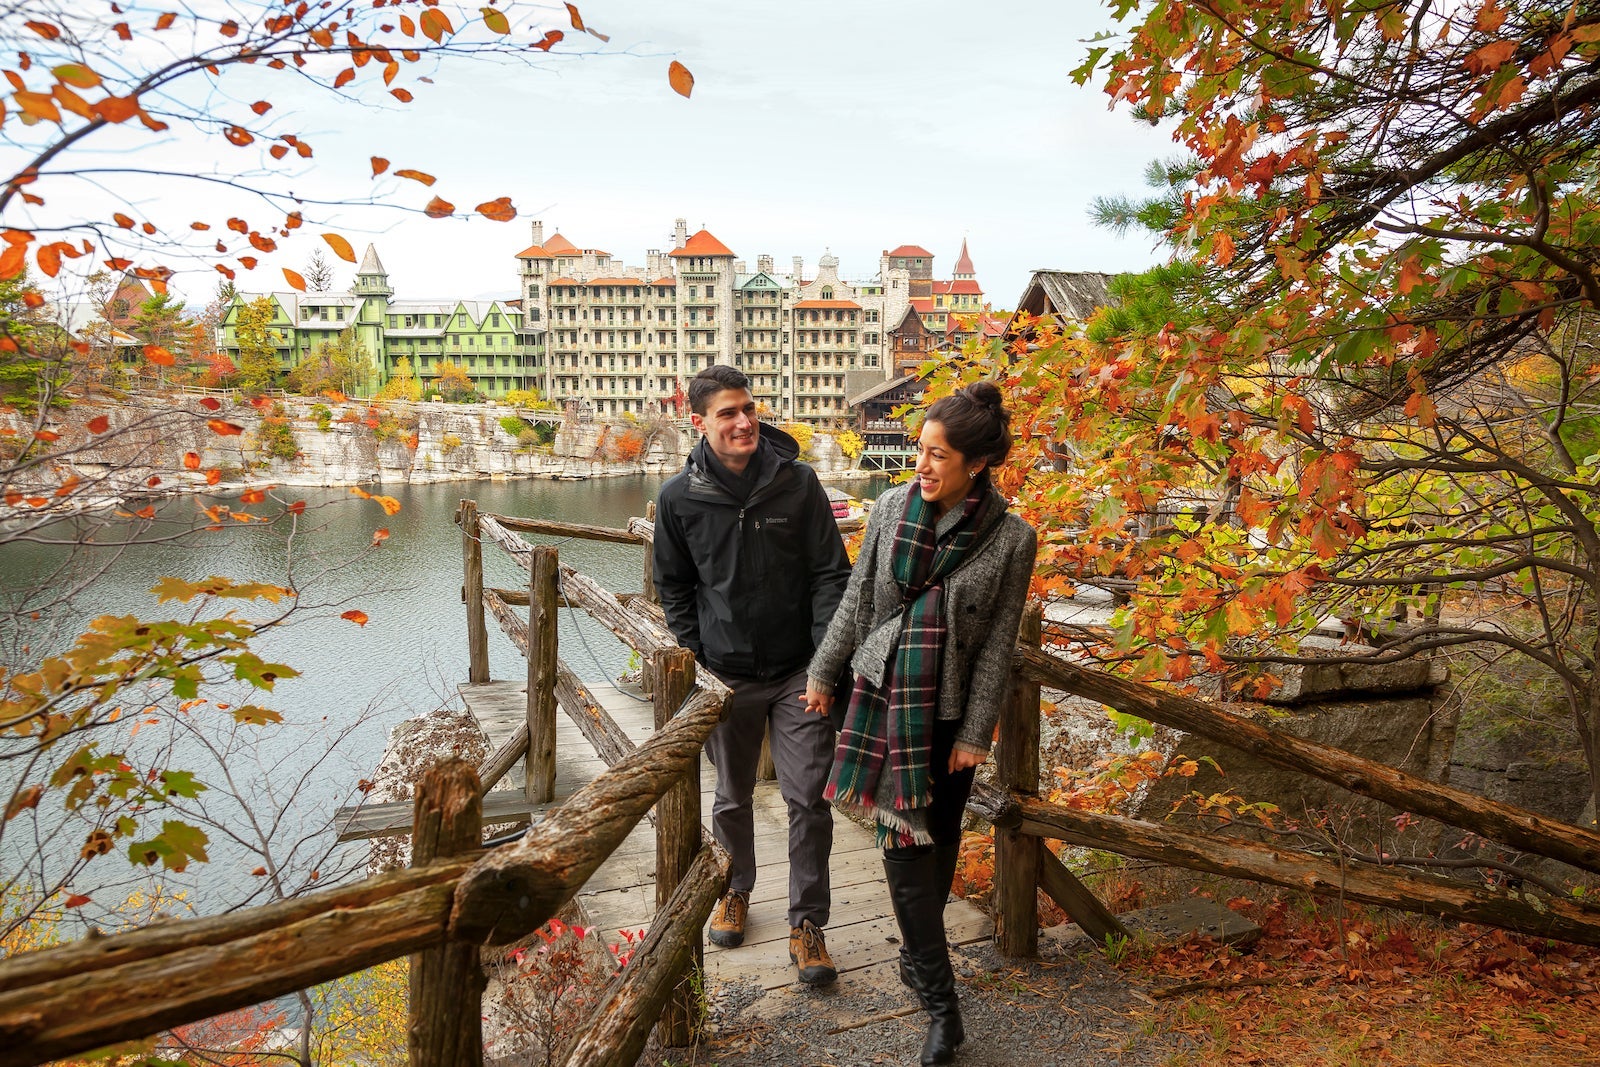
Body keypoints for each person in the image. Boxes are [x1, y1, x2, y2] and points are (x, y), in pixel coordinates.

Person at [804, 380, 1037, 1065]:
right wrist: (823, 672)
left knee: (940, 841)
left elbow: (998, 642)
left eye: (938, 454)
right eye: (921, 450)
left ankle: (917, 954)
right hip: (884, 700)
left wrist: (975, 732)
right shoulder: (888, 508)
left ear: (977, 463)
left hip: (951, 713)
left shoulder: (1012, 538)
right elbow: (857, 598)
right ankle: (943, 1006)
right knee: (905, 844)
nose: (923, 465)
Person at [653, 364, 852, 986]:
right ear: (698, 422)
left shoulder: (798, 482)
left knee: (809, 799)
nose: (744, 422)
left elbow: (831, 574)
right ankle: (735, 890)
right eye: (728, 414)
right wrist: (699, 657)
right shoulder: (678, 498)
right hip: (726, 674)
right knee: (731, 797)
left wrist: (824, 662)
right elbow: (674, 586)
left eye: (749, 409)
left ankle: (808, 924)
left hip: (800, 672)